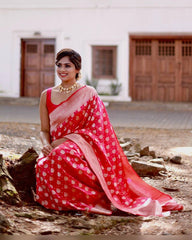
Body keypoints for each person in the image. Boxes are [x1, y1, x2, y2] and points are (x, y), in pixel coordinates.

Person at [36, 48, 183, 216]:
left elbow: (96, 128)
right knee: (44, 163)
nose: (62, 70)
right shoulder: (46, 95)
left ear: (77, 69)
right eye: (59, 65)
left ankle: (92, 201)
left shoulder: (88, 93)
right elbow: (44, 130)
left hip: (81, 145)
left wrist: (66, 140)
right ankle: (61, 202)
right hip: (53, 145)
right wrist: (46, 144)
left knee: (62, 154)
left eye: (67, 66)